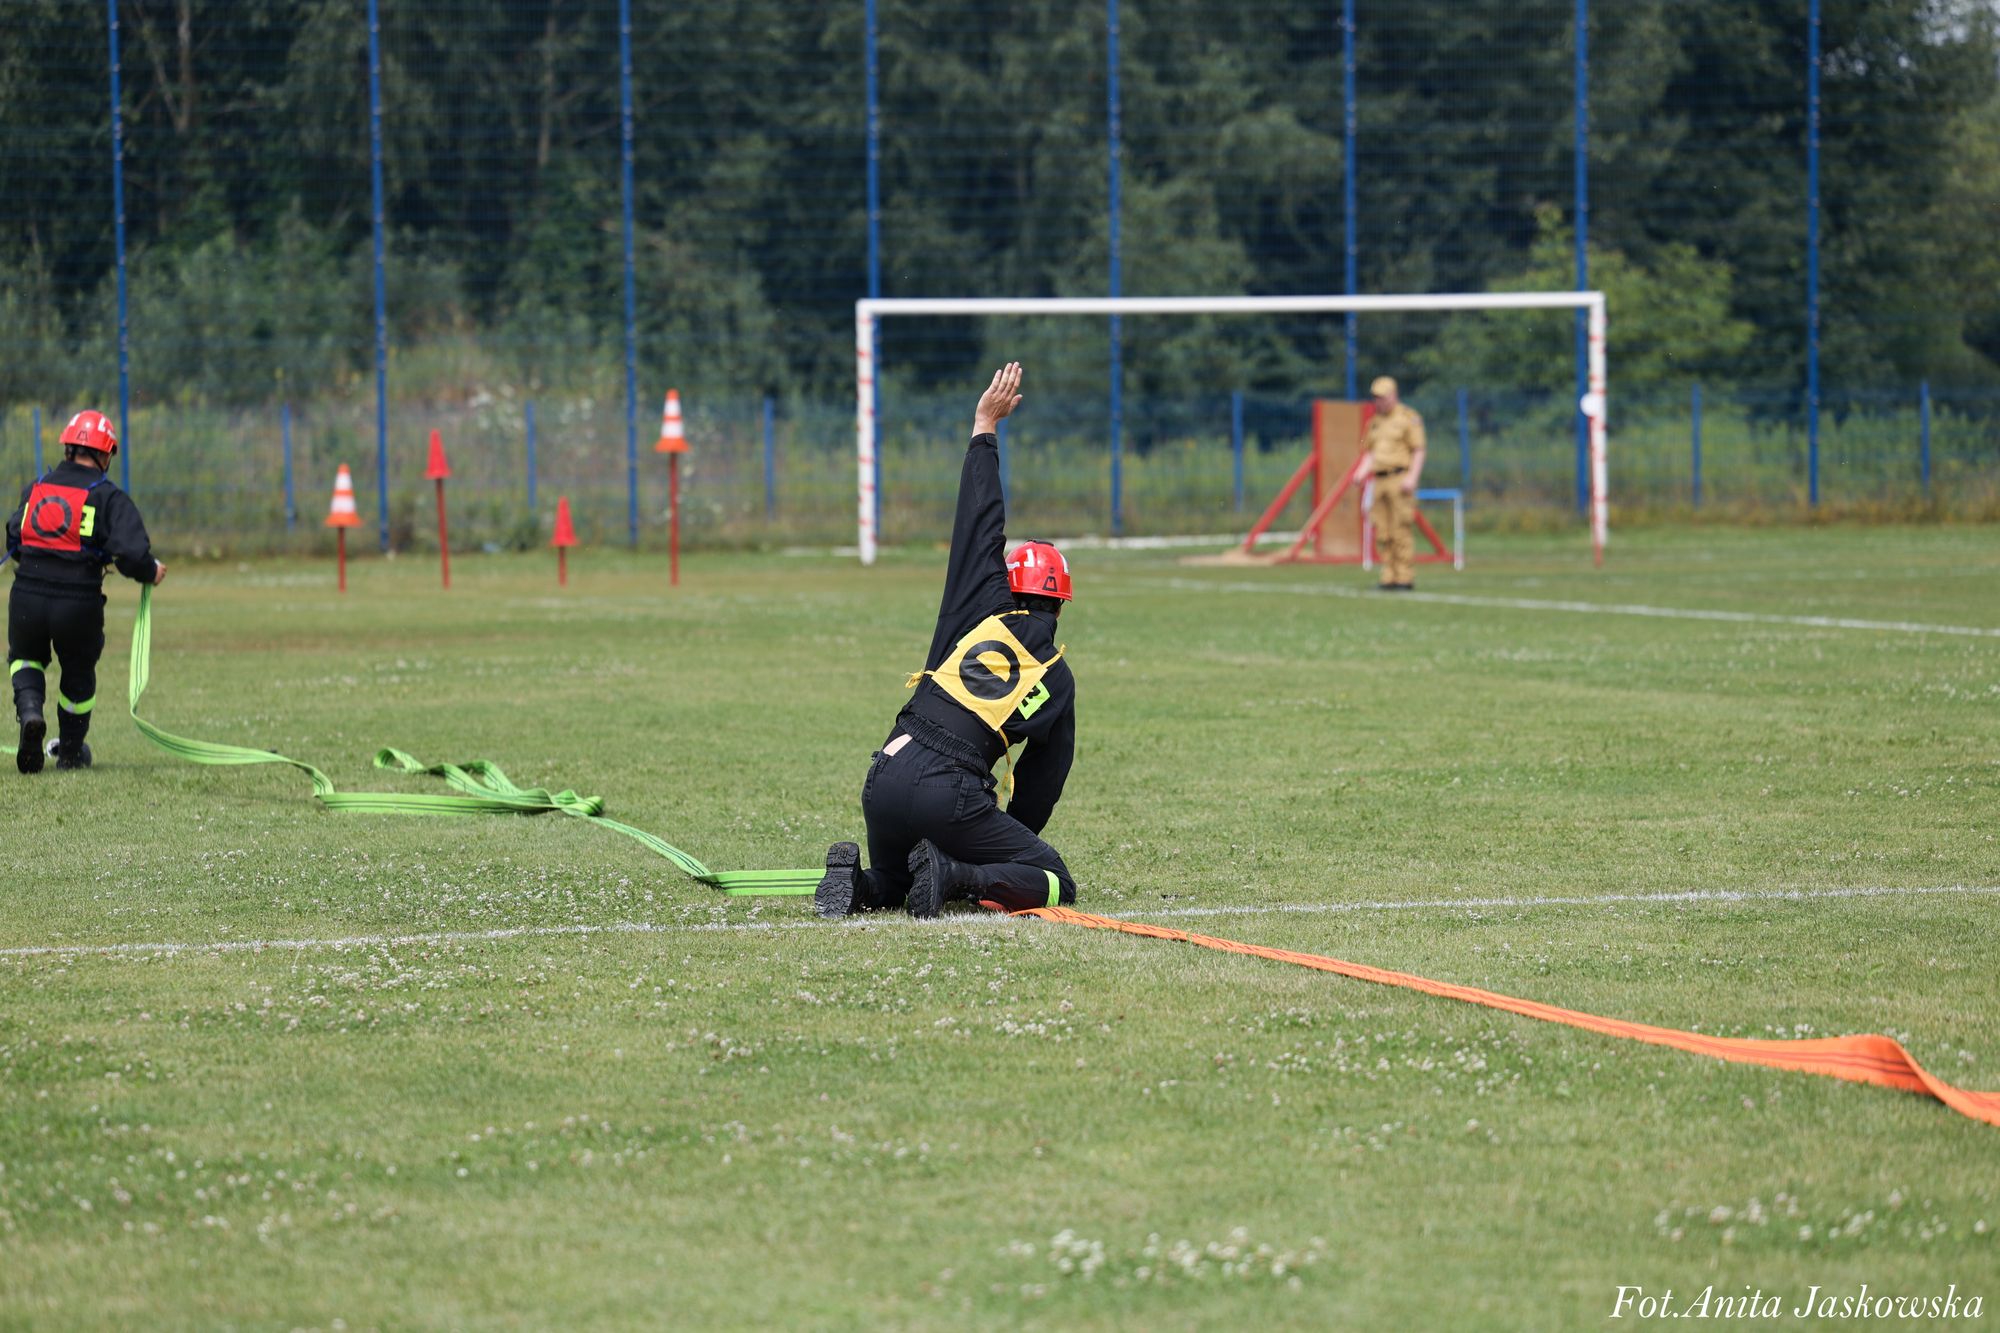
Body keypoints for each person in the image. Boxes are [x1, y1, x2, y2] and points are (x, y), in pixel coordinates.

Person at [816, 362, 1079, 919]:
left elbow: (980, 521)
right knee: (1053, 880)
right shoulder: (1056, 676)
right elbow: (1040, 782)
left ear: (1009, 584)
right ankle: (951, 874)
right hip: (948, 792)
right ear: (1059, 604)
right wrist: (997, 846)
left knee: (894, 874)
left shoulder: (979, 603)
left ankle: (862, 885)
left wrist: (985, 426)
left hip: (886, 773)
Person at [7, 410, 165, 774]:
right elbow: (131, 554)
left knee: (25, 659)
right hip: (78, 603)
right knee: (78, 673)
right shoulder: (107, 497)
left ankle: (30, 713)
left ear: (67, 447)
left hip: (27, 594)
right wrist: (151, 571)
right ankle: (71, 753)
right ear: (104, 454)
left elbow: (14, 536)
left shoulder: (37, 487)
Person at [1363, 375, 1426, 591]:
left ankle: (1404, 577)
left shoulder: (1409, 418)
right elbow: (1369, 452)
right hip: (1378, 481)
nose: (1378, 402)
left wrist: (1412, 477)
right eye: (1375, 398)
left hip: (1399, 479)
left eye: (1382, 397)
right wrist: (1361, 473)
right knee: (1382, 530)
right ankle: (1388, 576)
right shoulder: (1374, 422)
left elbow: (1418, 450)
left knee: (1400, 529)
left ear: (1393, 395)